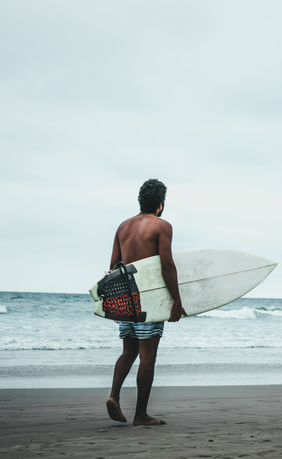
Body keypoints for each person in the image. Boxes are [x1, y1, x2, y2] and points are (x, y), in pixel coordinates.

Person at [105, 179, 187, 425]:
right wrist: (176, 301)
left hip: (126, 296)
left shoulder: (123, 227)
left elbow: (112, 267)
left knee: (128, 352)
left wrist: (117, 301)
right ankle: (140, 414)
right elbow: (167, 265)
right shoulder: (162, 226)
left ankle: (114, 396)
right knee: (147, 356)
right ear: (160, 205)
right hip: (149, 298)